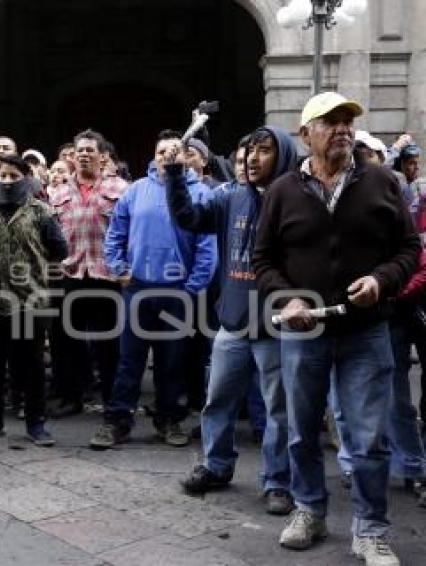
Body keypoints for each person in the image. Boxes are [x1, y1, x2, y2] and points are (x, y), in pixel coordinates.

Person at [253, 92, 420, 564]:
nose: (343, 129)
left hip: (367, 331)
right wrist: (289, 299)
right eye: (330, 122)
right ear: (306, 135)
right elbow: (262, 261)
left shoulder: (382, 182)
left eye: (347, 122)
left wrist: (382, 280)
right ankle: (308, 509)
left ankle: (369, 529)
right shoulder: (283, 190)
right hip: (302, 331)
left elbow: (408, 249)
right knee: (302, 430)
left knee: (368, 435)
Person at [170, 126, 298, 516]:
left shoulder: (298, 201)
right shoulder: (230, 198)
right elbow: (189, 217)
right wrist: (175, 175)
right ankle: (216, 465)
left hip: (276, 327)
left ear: (285, 156)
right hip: (232, 324)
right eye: (247, 152)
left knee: (278, 410)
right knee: (218, 400)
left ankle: (277, 481)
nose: (252, 159)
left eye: (264, 151)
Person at [90, 129, 217, 449]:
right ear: (154, 156)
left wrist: (193, 288)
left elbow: (207, 246)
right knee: (129, 359)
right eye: (162, 152)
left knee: (172, 360)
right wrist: (118, 268)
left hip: (178, 292)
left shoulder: (200, 193)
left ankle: (169, 420)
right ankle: (118, 421)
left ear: (185, 156)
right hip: (138, 288)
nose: (167, 157)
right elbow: (115, 234)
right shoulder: (135, 191)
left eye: (174, 151)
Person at [0, 153, 67, 445]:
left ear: (26, 179)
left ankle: (36, 423)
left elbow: (60, 249)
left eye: (14, 176)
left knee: (32, 366)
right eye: (2, 176)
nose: (7, 181)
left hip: (30, 302)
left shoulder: (42, 212)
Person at [49, 129, 127, 418]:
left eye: (90, 150)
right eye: (79, 151)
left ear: (102, 155)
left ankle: (111, 399)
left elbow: (129, 233)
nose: (83, 155)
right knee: (68, 343)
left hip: (106, 275)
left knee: (109, 345)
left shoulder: (121, 189)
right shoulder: (56, 191)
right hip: (70, 273)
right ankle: (72, 398)